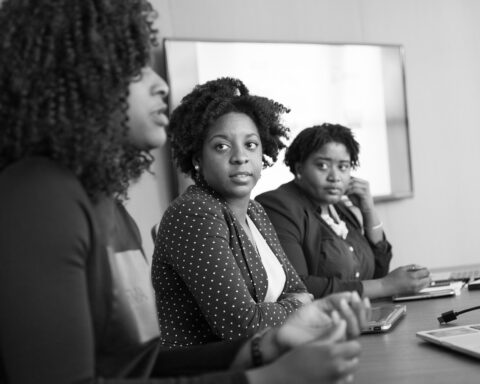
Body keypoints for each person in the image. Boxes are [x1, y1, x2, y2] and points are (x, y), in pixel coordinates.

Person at [0, 1, 370, 383]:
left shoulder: (110, 209)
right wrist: (267, 377)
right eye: (134, 67)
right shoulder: (38, 196)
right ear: (72, 78)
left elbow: (133, 367)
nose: (160, 85)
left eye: (252, 145)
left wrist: (267, 347)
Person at [152, 77, 316, 348]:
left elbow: (297, 288)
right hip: (207, 373)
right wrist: (295, 307)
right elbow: (240, 325)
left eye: (250, 144)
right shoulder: (194, 212)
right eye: (221, 146)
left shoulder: (255, 211)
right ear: (197, 159)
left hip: (265, 360)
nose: (240, 157)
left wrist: (293, 304)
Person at [256, 123, 431, 299]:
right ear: (300, 168)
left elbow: (377, 273)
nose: (335, 177)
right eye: (322, 166)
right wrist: (386, 285)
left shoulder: (340, 208)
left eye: (343, 166)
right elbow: (298, 286)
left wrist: (368, 210)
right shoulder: (278, 205)